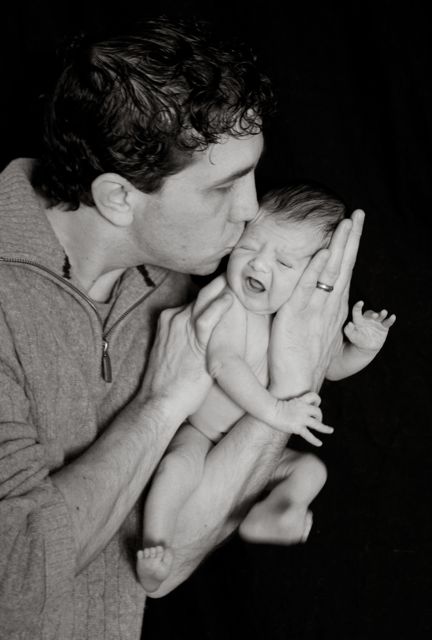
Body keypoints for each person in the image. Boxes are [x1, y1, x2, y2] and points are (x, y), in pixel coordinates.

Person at [0, 16, 364, 640]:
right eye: (224, 188)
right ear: (118, 197)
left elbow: (164, 565)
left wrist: (296, 374)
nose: (251, 210)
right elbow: (15, 584)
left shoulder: (177, 278)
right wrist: (160, 405)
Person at [137, 184, 394, 592]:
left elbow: (330, 367)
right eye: (249, 246)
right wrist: (276, 412)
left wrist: (363, 348)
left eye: (285, 262)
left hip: (250, 444)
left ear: (313, 280)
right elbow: (223, 363)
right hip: (199, 431)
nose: (259, 263)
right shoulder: (228, 302)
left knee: (311, 470)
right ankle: (155, 544)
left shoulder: (299, 320)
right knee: (176, 469)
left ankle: (273, 513)